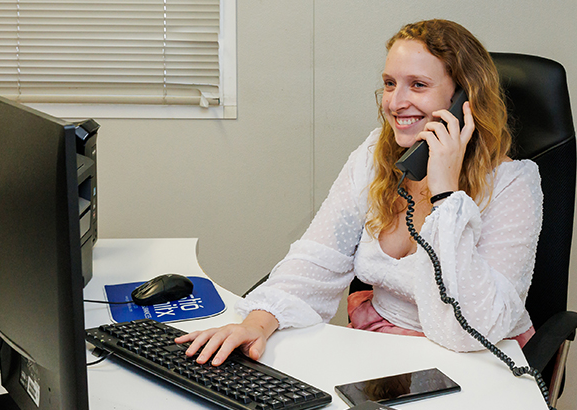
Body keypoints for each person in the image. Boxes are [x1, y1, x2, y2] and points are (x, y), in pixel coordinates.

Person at [177, 19, 543, 367]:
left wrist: (445, 194)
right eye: (390, 83)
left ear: (464, 100)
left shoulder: (512, 184)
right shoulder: (374, 158)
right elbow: (317, 259)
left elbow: (473, 328)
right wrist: (255, 324)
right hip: (379, 348)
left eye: (418, 85)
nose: (395, 102)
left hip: (474, 362)